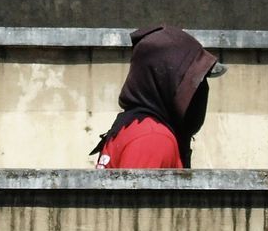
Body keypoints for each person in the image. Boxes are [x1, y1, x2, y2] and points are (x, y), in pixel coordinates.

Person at [90, 25, 226, 169]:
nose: (200, 91)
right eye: (195, 82)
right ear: (168, 82)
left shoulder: (134, 127)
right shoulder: (153, 139)